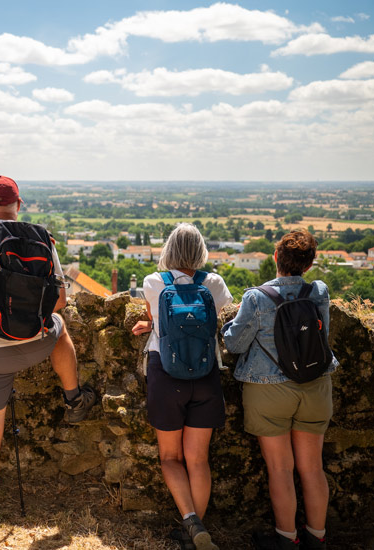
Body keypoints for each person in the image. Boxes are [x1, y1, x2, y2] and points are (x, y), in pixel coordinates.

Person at [0, 175, 97, 548]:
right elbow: (59, 300)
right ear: (19, 205)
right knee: (60, 327)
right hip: (37, 343)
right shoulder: (40, 237)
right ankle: (74, 397)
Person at [223, 230, 336, 550]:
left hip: (268, 390)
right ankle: (317, 537)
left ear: (275, 258)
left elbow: (234, 343)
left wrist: (226, 327)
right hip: (315, 386)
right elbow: (323, 334)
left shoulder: (255, 298)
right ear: (310, 264)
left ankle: (287, 539)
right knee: (313, 468)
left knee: (280, 468)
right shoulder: (319, 292)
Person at [131, 222, 231, 550]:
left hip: (167, 374)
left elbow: (157, 318)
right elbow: (216, 317)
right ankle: (194, 537)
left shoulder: (153, 282)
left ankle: (191, 522)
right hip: (205, 375)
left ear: (169, 250)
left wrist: (149, 323)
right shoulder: (215, 283)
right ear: (200, 251)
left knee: (171, 458)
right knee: (198, 460)